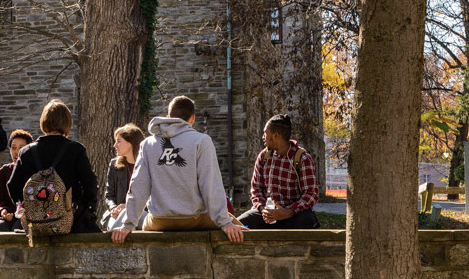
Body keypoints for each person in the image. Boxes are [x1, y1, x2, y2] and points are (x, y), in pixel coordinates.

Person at [110, 96, 247, 244]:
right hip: (194, 219)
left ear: (168, 117)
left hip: (159, 220)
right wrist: (226, 223)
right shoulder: (201, 141)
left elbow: (138, 186)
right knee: (239, 228)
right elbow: (210, 184)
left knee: (147, 220)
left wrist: (127, 224)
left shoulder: (147, 144)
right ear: (192, 118)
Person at [7, 99, 102, 233]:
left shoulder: (26, 152)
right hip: (70, 222)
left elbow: (12, 185)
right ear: (67, 122)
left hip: (36, 223)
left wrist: (28, 206)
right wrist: (87, 209)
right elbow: (90, 183)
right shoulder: (75, 150)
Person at [238, 114, 321, 229]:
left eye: (265, 133)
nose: (263, 137)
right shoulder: (264, 156)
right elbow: (255, 189)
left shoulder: (302, 158)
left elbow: (311, 194)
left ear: (276, 135)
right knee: (238, 225)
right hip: (267, 215)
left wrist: (289, 211)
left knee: (307, 221)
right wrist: (263, 209)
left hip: (293, 214)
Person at [101, 123, 146, 231]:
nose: (114, 145)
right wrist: (114, 208)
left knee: (126, 219)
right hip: (117, 214)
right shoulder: (114, 165)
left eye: (119, 141)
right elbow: (108, 196)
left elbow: (153, 198)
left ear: (131, 143)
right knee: (118, 223)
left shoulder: (147, 165)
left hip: (142, 213)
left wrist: (128, 207)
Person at [0, 129, 33, 232]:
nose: (16, 152)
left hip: (27, 216)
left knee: (19, 227)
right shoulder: (4, 171)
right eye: (13, 148)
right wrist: (2, 211)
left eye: (21, 148)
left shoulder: (34, 172)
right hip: (7, 216)